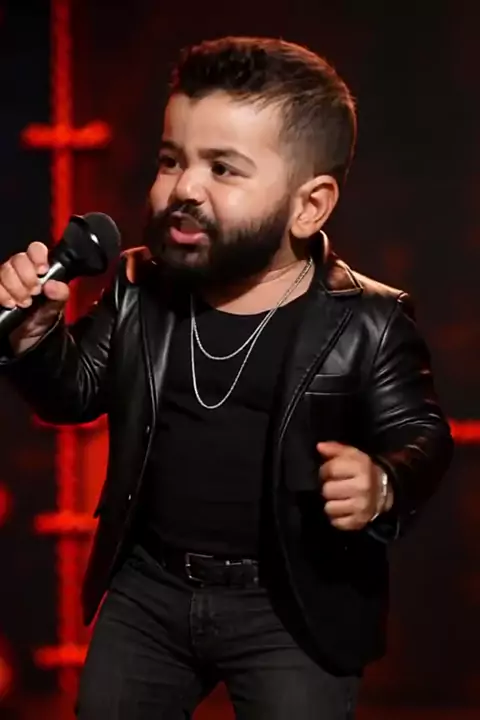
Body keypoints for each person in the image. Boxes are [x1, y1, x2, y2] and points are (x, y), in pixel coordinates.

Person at [0, 36, 453, 719]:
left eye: (223, 169)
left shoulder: (368, 319)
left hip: (290, 602)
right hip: (150, 589)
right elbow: (75, 393)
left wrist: (383, 482)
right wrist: (35, 335)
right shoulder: (138, 283)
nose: (185, 188)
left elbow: (422, 432)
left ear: (310, 205)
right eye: (171, 160)